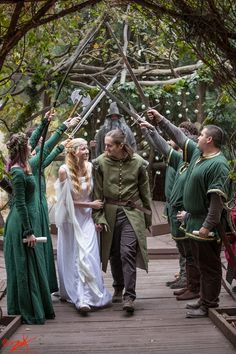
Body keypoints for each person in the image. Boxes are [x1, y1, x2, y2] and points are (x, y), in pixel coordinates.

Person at [147, 108, 231, 318]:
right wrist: (161, 121)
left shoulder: (218, 165)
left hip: (205, 225)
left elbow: (216, 202)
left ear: (209, 139)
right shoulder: (197, 154)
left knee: (210, 268)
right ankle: (203, 299)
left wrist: (206, 226)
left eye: (201, 135)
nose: (198, 137)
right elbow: (178, 136)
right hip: (194, 222)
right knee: (202, 266)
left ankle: (209, 304)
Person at [92, 129, 152, 313]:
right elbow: (97, 194)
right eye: (105, 144)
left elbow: (145, 192)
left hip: (132, 213)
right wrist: (99, 217)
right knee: (114, 253)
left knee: (127, 252)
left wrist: (147, 220)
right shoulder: (99, 163)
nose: (106, 148)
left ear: (120, 146)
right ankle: (118, 286)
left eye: (109, 145)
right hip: (109, 212)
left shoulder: (138, 163)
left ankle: (129, 296)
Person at [140, 121, 200, 301]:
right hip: (176, 211)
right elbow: (164, 148)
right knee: (184, 251)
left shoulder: (196, 162)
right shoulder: (182, 160)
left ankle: (193, 285)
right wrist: (148, 130)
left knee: (191, 253)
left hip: (187, 214)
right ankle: (189, 283)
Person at [54, 138, 112, 313]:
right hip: (71, 220)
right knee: (76, 256)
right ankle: (81, 299)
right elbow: (65, 203)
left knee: (88, 255)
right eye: (82, 148)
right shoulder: (64, 171)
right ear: (73, 152)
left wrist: (97, 216)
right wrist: (90, 205)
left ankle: (93, 294)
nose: (87, 151)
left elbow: (96, 193)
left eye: (87, 148)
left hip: (87, 219)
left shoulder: (90, 167)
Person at [4, 132, 55, 324]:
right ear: (24, 149)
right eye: (28, 145)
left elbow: (43, 152)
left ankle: (37, 304)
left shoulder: (26, 166)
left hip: (27, 220)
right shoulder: (17, 172)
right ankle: (25, 307)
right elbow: (20, 204)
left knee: (33, 264)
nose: (31, 147)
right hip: (20, 223)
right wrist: (28, 231)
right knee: (25, 265)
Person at [27, 111, 79, 293]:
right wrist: (63, 129)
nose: (39, 144)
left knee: (45, 241)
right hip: (33, 205)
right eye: (35, 143)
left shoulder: (33, 159)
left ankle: (46, 285)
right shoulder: (29, 163)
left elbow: (42, 149)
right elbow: (47, 150)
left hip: (39, 203)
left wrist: (45, 121)